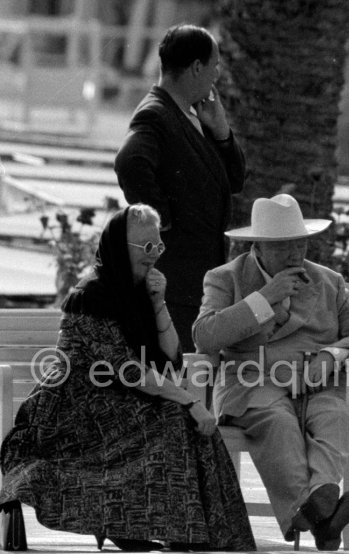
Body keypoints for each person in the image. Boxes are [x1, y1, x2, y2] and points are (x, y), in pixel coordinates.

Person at [0, 204, 256, 553]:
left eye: (158, 246)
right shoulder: (91, 295)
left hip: (116, 398)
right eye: (146, 247)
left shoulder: (137, 291)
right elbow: (127, 369)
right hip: (71, 410)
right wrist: (191, 401)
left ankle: (189, 529)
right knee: (172, 416)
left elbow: (171, 357)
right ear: (121, 247)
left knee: (175, 417)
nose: (154, 256)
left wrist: (158, 302)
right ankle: (145, 526)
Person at [193, 193, 349, 550]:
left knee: (334, 413)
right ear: (258, 246)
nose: (296, 254)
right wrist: (264, 298)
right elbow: (205, 337)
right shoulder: (225, 279)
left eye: (300, 243)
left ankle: (319, 507)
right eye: (283, 246)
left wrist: (333, 353)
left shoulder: (329, 281)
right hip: (252, 385)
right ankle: (319, 517)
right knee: (277, 421)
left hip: (316, 385)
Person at [114, 24, 246, 351]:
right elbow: (129, 162)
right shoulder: (155, 114)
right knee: (181, 381)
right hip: (177, 284)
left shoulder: (189, 115)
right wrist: (164, 220)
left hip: (196, 281)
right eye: (214, 65)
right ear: (197, 67)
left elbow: (235, 181)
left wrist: (221, 131)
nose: (217, 73)